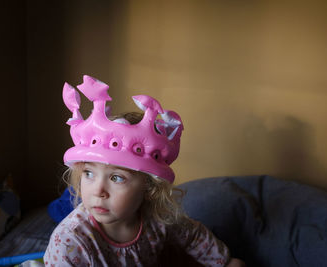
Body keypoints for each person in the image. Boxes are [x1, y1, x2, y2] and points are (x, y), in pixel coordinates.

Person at [44, 75, 245, 266]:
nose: (98, 191)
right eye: (88, 173)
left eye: (116, 177)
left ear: (149, 187)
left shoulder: (157, 219)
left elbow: (193, 236)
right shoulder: (69, 242)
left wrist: (225, 261)